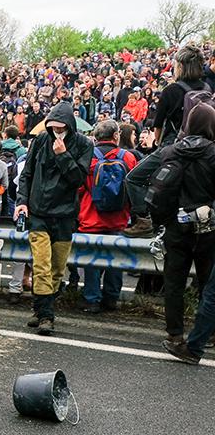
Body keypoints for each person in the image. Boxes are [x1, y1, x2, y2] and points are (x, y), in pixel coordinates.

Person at [13, 101, 92, 336]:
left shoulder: (84, 145)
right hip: (38, 212)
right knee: (41, 264)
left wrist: (63, 156)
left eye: (61, 127)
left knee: (57, 268)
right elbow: (26, 173)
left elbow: (78, 179)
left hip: (65, 214)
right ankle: (47, 315)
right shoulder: (39, 141)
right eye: (53, 127)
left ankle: (40, 308)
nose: (57, 132)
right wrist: (22, 202)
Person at [145, 104, 215, 358]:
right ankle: (207, 333)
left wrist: (152, 218)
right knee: (208, 284)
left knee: (174, 283)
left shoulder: (170, 151)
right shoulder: (213, 153)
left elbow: (136, 177)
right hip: (207, 229)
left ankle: (174, 334)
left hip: (175, 227)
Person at [76, 120, 137, 314]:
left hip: (90, 216)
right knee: (115, 260)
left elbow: (78, 187)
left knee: (92, 261)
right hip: (118, 218)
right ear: (116, 136)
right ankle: (111, 298)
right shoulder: (127, 157)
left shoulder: (87, 156)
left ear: (96, 136)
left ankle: (92, 300)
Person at [154, 45, 211, 145]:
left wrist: (157, 143)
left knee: (143, 161)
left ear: (180, 66)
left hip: (175, 145)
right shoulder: (207, 88)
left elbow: (158, 125)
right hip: (205, 144)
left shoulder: (170, 90)